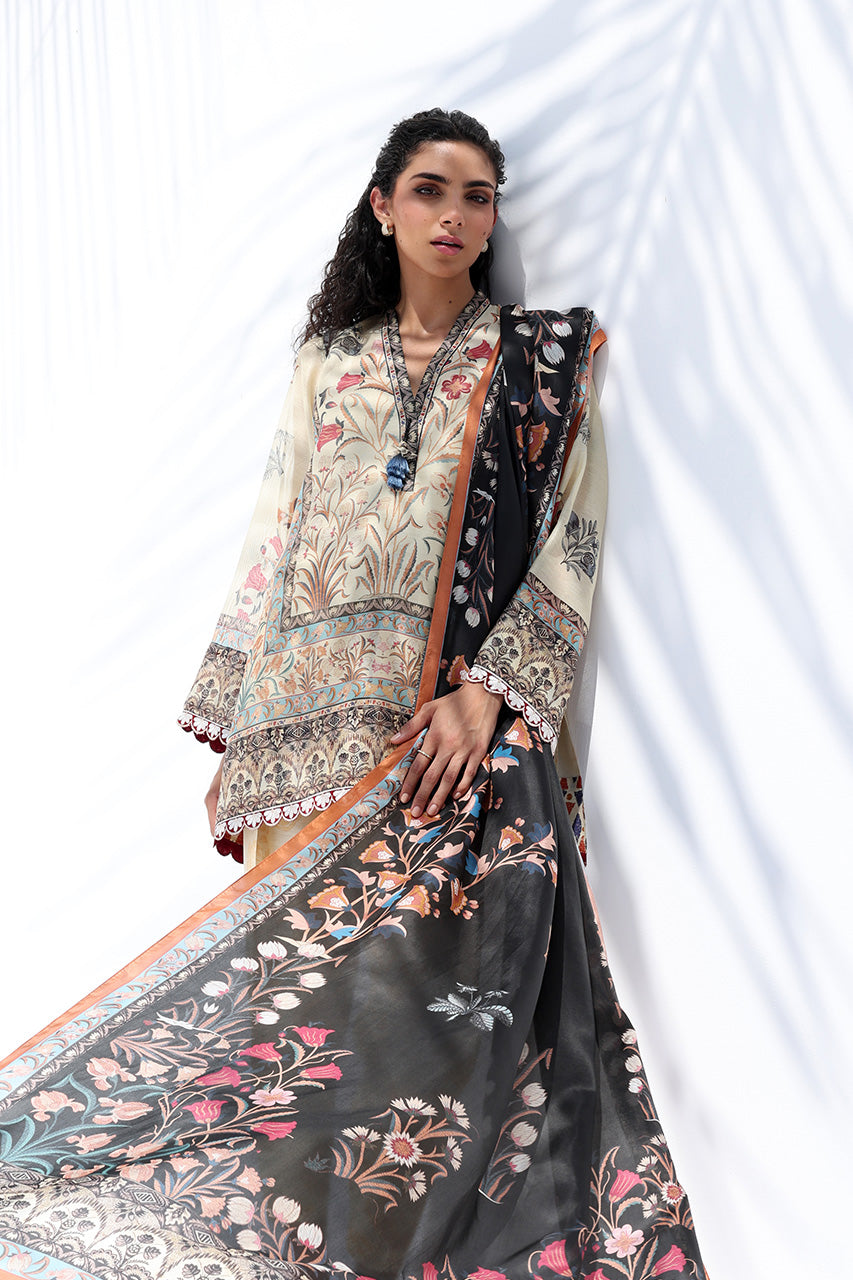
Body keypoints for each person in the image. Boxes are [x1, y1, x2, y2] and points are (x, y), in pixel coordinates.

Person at [0, 110, 708, 1280]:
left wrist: (489, 695)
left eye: (478, 196)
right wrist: (243, 727)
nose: (455, 215)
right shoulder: (325, 361)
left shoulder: (534, 361)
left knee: (417, 1042)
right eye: (430, 189)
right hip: (302, 748)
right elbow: (274, 537)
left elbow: (572, 540)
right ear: (383, 205)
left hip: (434, 749)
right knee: (303, 1047)